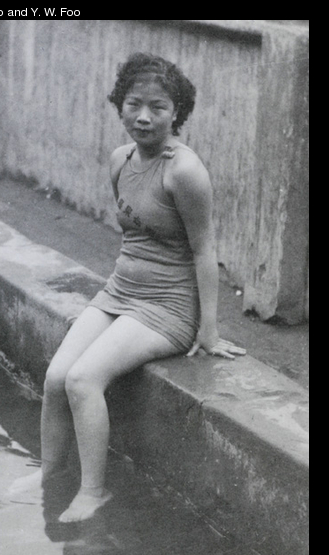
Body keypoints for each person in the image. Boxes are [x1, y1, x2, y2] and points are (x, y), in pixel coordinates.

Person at [40, 52, 246, 523]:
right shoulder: (120, 160)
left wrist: (208, 330)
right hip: (121, 291)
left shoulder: (185, 171)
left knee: (83, 380)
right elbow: (135, 235)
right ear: (120, 106)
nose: (144, 117)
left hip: (168, 308)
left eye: (158, 107)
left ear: (177, 113)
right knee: (56, 377)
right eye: (134, 104)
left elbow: (204, 249)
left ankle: (93, 492)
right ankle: (49, 475)